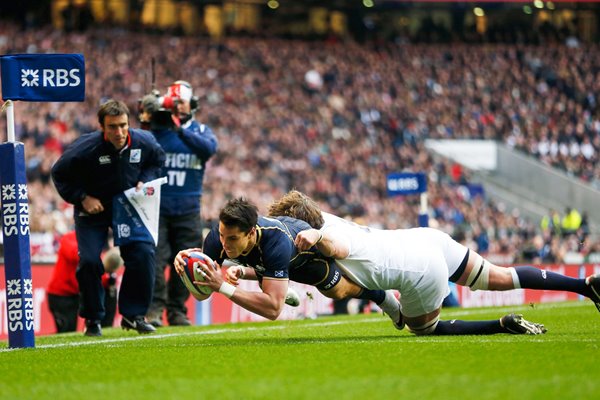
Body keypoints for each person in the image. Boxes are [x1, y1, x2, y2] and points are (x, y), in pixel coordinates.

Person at [267, 190, 600, 335]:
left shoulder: (321, 235)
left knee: (423, 329)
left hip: (420, 268)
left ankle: (500, 324)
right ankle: (584, 286)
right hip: (425, 238)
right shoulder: (321, 215)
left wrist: (317, 240)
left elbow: (339, 248)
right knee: (502, 276)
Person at [174, 197, 401, 323]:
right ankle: (282, 286)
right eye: (222, 235)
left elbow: (273, 310)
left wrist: (222, 286)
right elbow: (201, 294)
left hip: (308, 255)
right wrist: (186, 266)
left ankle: (382, 296)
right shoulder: (217, 238)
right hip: (276, 263)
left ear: (251, 233)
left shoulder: (276, 242)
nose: (225, 243)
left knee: (337, 291)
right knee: (269, 277)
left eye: (232, 238)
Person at [51, 99, 166, 336]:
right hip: (93, 208)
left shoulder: (144, 142)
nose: (119, 132)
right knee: (91, 261)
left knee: (143, 253)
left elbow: (157, 161)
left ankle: (133, 315)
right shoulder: (85, 148)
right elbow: (59, 173)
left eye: (123, 125)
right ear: (102, 127)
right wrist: (82, 197)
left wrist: (145, 178)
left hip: (128, 206)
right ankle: (93, 319)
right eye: (112, 127)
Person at [141, 81, 218, 327]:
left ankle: (177, 311)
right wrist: (146, 116)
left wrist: (179, 129)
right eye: (173, 103)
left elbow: (208, 149)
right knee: (156, 258)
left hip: (188, 209)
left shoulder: (200, 130)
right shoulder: (156, 130)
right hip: (158, 208)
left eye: (181, 102)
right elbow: (139, 142)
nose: (178, 107)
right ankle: (154, 310)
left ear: (192, 104)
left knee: (185, 261)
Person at [47, 231, 123, 333]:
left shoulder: (97, 242)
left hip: (77, 292)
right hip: (62, 294)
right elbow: (76, 255)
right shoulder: (69, 238)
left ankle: (101, 326)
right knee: (67, 329)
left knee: (108, 288)